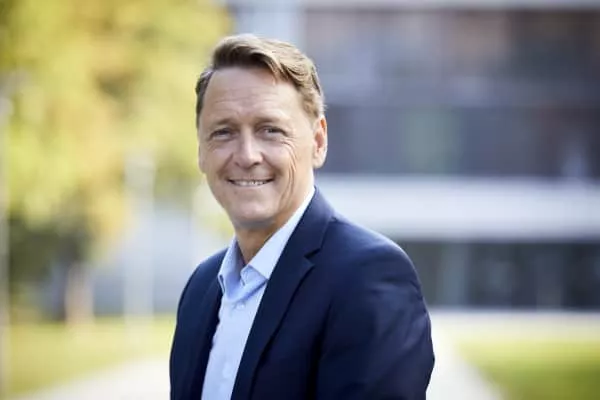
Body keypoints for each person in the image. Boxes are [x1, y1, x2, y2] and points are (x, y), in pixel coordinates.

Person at [169, 33, 435, 400]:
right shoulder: (201, 288)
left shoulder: (367, 278)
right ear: (201, 150)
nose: (246, 155)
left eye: (270, 130)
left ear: (318, 141)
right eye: (223, 132)